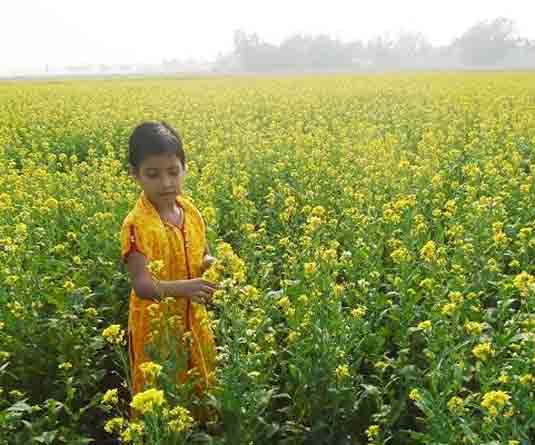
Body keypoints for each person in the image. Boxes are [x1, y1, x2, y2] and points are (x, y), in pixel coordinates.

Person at [119, 121, 218, 420]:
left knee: (201, 387)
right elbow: (142, 285)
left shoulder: (191, 212)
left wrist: (212, 268)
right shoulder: (137, 224)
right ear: (135, 175)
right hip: (156, 329)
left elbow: (203, 254)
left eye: (173, 172)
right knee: (161, 397)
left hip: (194, 320)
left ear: (185, 168)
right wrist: (187, 287)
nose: (166, 183)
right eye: (153, 174)